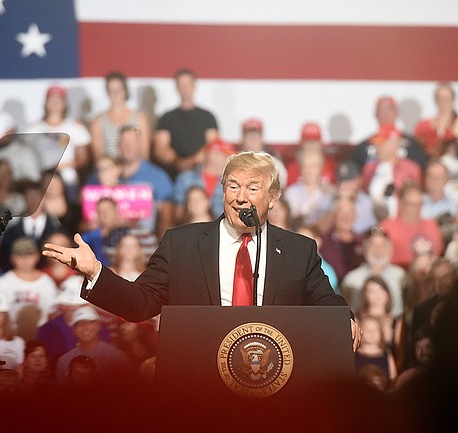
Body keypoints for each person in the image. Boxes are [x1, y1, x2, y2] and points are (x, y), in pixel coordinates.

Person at [43, 151, 359, 347]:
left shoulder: (297, 250)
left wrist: (341, 318)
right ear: (222, 191)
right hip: (198, 385)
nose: (241, 197)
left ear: (272, 198)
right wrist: (95, 271)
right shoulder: (181, 244)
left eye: (252, 188)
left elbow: (325, 299)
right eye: (233, 186)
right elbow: (140, 304)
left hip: (272, 385)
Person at [25, 84, 92, 194]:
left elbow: (83, 158)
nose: (55, 102)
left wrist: (59, 166)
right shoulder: (33, 129)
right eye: (52, 99)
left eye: (59, 99)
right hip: (39, 181)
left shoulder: (76, 128)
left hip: (68, 180)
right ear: (45, 102)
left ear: (65, 103)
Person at [153, 68, 220, 176]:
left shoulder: (208, 117)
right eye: (181, 85)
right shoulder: (166, 118)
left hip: (202, 174)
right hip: (172, 173)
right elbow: (161, 149)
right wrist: (178, 162)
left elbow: (213, 146)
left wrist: (192, 162)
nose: (185, 89)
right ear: (177, 88)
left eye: (188, 84)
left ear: (194, 86)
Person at [0, 237, 60, 336]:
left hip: (41, 336)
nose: (25, 260)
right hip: (12, 335)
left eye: (29, 255)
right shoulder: (4, 282)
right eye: (20, 256)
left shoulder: (47, 282)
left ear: (37, 256)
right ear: (12, 258)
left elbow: (52, 314)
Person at [54, 306, 131, 384]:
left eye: (89, 322)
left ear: (98, 326)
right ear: (73, 330)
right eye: (79, 324)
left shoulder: (117, 357)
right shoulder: (64, 361)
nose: (85, 327)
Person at [341, 227, 406, 318]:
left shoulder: (400, 275)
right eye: (373, 245)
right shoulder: (352, 279)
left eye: (383, 245)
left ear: (390, 248)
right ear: (365, 248)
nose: (378, 250)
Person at [351, 95, 428, 171]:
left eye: (389, 110)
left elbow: (420, 168)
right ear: (376, 114)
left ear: (397, 113)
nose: (385, 114)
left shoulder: (410, 144)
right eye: (381, 111)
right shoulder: (364, 146)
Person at [361, 125, 422, 218]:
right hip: (373, 219)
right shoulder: (369, 167)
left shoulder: (410, 168)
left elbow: (414, 196)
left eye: (382, 142)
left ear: (394, 143)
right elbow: (364, 190)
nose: (378, 146)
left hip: (399, 219)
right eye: (377, 143)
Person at [90, 71, 151, 161]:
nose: (116, 93)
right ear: (107, 92)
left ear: (125, 90)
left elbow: (145, 151)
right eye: (112, 90)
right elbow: (99, 155)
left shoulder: (140, 117)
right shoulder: (98, 121)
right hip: (110, 171)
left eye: (119, 89)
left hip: (135, 168)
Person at [379, 184, 443, 270]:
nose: (417, 209)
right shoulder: (386, 227)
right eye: (411, 205)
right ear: (400, 203)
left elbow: (439, 255)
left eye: (419, 204)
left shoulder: (432, 225)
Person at [283, 147, 336, 229]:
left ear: (321, 168)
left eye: (314, 165)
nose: (310, 170)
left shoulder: (331, 192)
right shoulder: (291, 192)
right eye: (306, 165)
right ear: (300, 168)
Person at [413, 82, 458, 158]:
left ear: (453, 99)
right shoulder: (423, 126)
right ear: (435, 100)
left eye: (447, 98)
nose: (444, 102)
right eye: (440, 98)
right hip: (428, 165)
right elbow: (415, 149)